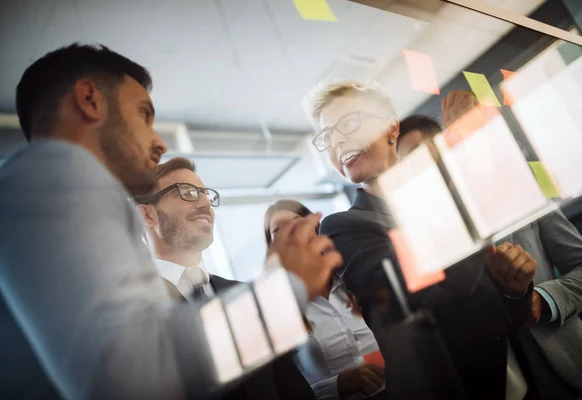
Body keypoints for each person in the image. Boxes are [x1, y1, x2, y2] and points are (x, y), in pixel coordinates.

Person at [0, 43, 342, 399]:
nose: (159, 142)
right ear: (89, 99)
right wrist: (283, 290)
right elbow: (135, 379)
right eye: (144, 114)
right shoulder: (52, 173)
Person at [302, 80, 538, 400]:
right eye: (326, 135)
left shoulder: (440, 205)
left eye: (348, 122)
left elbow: (498, 320)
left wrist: (514, 291)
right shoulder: (343, 227)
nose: (337, 140)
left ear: (391, 128)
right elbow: (433, 287)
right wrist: (466, 155)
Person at [440, 90, 582, 400]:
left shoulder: (524, 195)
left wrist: (543, 299)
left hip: (568, 371)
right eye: (460, 137)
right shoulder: (433, 221)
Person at [136, 157, 318, 400]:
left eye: (205, 194)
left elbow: (293, 390)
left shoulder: (246, 294)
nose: (204, 204)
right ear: (147, 215)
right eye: (187, 192)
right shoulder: (133, 312)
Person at [265, 200, 387, 400]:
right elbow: (281, 391)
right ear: (272, 247)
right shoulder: (276, 311)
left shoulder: (353, 275)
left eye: (299, 223)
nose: (293, 233)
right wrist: (338, 386)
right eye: (279, 231)